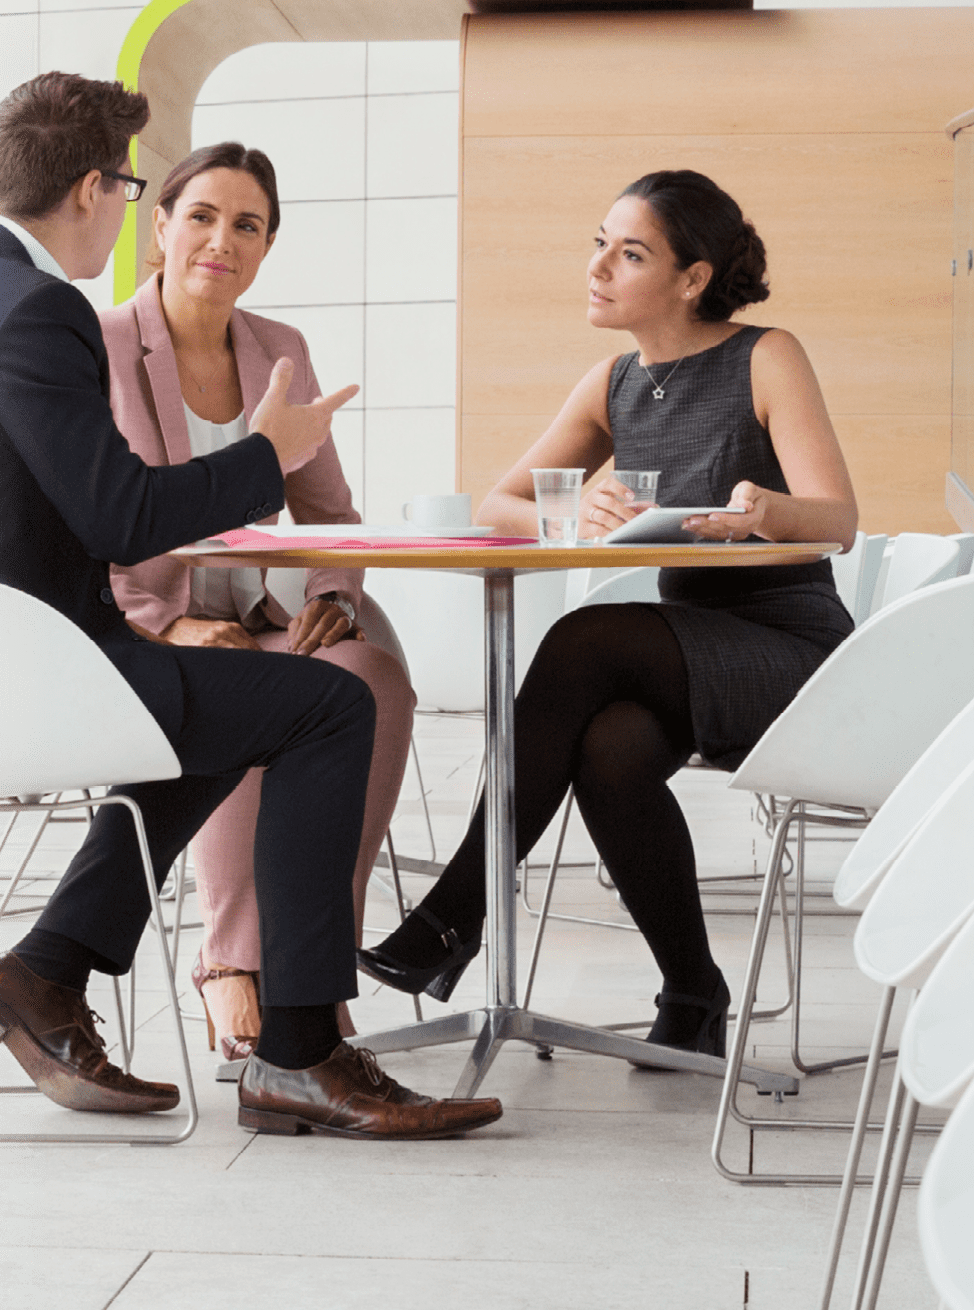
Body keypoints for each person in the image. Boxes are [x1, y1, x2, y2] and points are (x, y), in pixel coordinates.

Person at [0, 72, 501, 1140]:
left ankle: (44, 974)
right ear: (101, 190)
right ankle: (300, 1051)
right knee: (328, 707)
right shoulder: (37, 309)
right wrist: (266, 455)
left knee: (231, 709)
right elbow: (123, 514)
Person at [358, 169, 858, 1057]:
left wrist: (760, 510)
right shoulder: (615, 382)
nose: (599, 267)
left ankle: (452, 916)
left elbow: (836, 521)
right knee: (609, 749)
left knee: (583, 638)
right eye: (600, 243)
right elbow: (501, 502)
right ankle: (695, 999)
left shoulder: (765, 356)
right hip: (690, 650)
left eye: (629, 253)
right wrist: (577, 511)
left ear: (692, 278)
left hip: (790, 648)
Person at [99, 143, 415, 1058]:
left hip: (273, 608)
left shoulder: (282, 350)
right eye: (200, 216)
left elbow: (330, 510)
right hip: (152, 620)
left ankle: (312, 964)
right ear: (159, 227)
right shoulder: (105, 345)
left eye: (248, 225)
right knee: (231, 679)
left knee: (372, 682)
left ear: (268, 246)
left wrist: (333, 595)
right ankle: (237, 965)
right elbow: (84, 518)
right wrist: (166, 621)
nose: (220, 240)